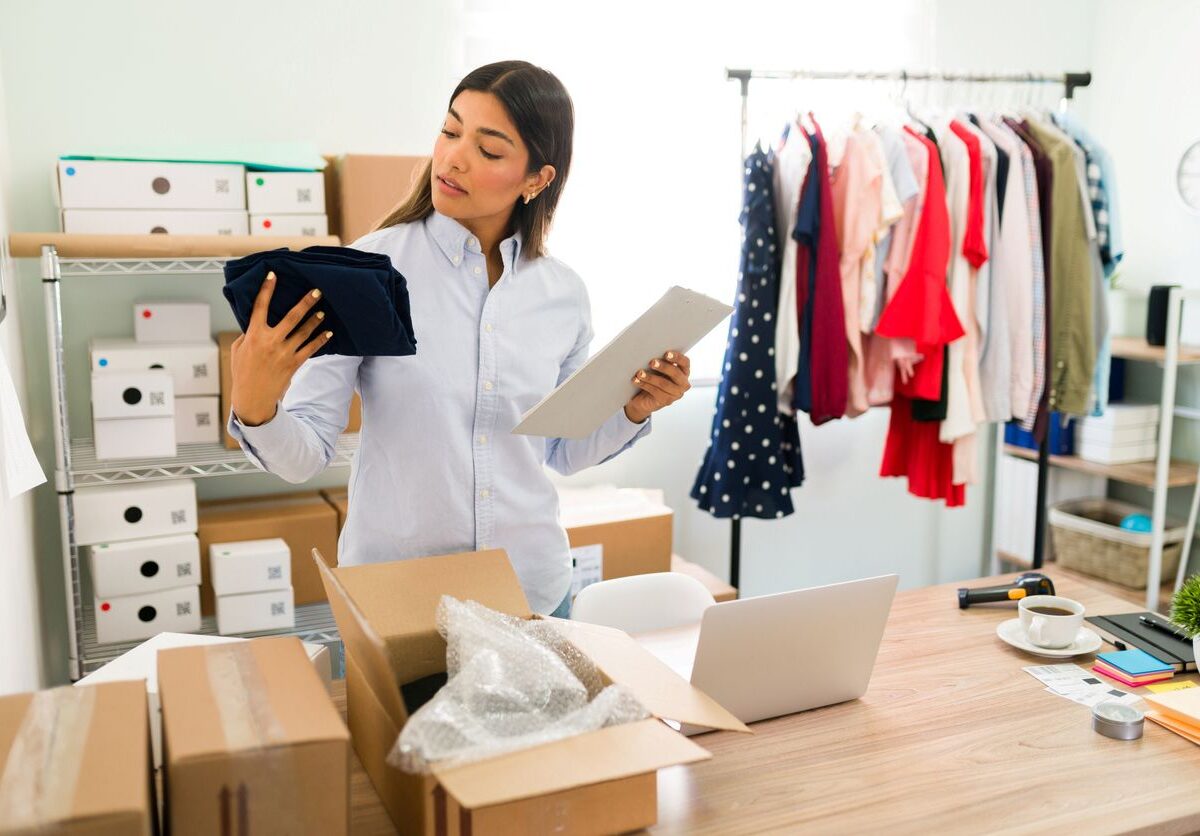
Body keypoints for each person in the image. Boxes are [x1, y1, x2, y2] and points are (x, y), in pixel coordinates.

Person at [227, 61, 692, 617]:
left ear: (537, 180)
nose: (453, 157)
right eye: (450, 131)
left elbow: (561, 452)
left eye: (489, 150)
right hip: (398, 604)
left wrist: (634, 411)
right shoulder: (367, 271)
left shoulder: (562, 293)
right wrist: (256, 406)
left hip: (533, 595)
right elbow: (304, 456)